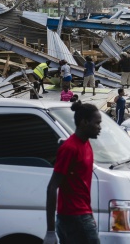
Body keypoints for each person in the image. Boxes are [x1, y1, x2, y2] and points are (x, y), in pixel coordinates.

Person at [43, 101, 102, 244]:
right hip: (73, 218)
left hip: (82, 214)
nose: (100, 128)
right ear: (84, 122)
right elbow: (52, 187)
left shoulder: (85, 143)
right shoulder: (70, 149)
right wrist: (50, 231)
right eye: (97, 123)